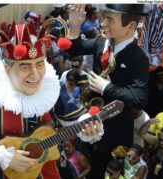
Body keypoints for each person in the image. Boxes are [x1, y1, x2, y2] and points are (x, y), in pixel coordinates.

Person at [0, 22, 102, 179]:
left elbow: (75, 117)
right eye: (24, 67)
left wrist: (89, 124)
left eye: (39, 65)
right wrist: (4, 156)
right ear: (7, 69)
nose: (35, 75)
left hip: (49, 171)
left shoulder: (52, 88)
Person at [66, 4, 149, 179]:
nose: (102, 23)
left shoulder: (138, 57)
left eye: (109, 19)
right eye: (103, 17)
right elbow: (74, 48)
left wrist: (106, 87)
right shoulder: (101, 42)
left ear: (131, 27)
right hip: (90, 122)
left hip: (116, 133)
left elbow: (139, 98)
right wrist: (74, 25)